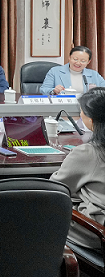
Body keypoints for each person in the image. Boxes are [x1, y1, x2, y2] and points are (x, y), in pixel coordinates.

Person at [51, 87, 105, 249]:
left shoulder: (89, 153)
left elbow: (55, 189)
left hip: (96, 232)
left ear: (91, 119)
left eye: (81, 111)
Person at [41, 45, 105, 95]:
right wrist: (54, 90)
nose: (78, 63)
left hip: (86, 106)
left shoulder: (94, 74)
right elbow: (43, 90)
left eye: (83, 61)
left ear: (88, 62)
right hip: (63, 105)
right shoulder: (55, 71)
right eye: (75, 59)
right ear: (69, 57)